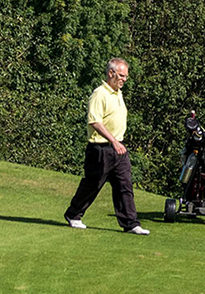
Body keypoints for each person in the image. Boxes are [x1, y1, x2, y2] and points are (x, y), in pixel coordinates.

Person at [63, 58, 148, 235]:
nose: (125, 79)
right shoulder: (99, 94)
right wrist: (113, 141)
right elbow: (95, 122)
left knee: (125, 186)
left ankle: (131, 223)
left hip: (119, 148)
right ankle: (73, 214)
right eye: (122, 76)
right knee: (93, 184)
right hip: (100, 149)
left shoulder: (118, 93)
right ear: (111, 73)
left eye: (126, 76)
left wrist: (118, 142)